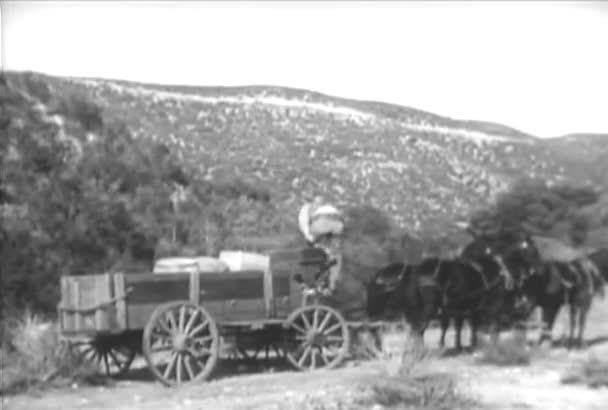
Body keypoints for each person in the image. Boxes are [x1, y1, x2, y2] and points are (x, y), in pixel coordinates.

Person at [297, 195, 346, 297]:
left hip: (320, 231)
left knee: (323, 258)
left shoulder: (309, 210)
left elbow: (305, 227)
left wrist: (310, 237)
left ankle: (323, 285)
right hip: (333, 230)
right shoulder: (325, 208)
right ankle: (330, 286)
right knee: (334, 257)